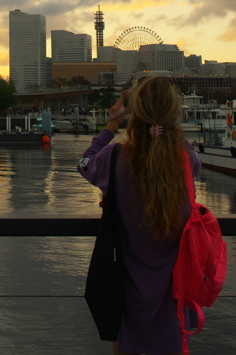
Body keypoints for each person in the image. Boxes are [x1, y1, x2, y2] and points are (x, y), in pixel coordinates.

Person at [78, 76, 201, 355]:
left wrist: (111, 124)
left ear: (136, 112)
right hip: (174, 294)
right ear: (174, 112)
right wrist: (171, 132)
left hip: (127, 291)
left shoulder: (116, 158)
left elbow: (84, 163)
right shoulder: (186, 159)